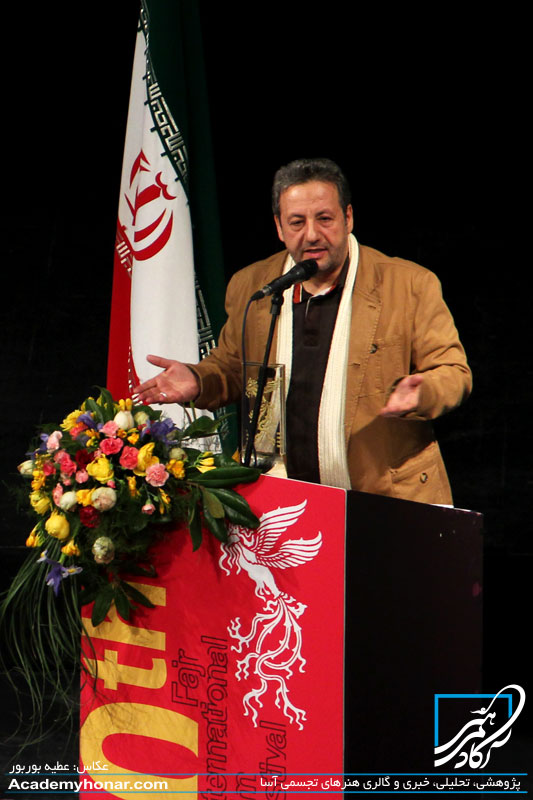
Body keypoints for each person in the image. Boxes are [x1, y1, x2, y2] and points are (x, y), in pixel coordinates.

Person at [133, 158, 472, 505]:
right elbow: (234, 368)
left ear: (348, 217)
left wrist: (424, 391)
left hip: (384, 499)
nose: (311, 234)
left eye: (324, 218)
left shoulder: (409, 285)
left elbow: (453, 372)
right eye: (297, 222)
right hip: (282, 500)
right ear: (279, 227)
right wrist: (198, 379)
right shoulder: (253, 285)